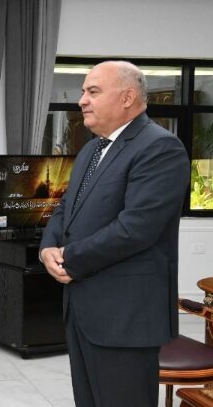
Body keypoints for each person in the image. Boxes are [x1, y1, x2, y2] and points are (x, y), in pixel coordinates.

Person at [39, 61, 190, 406]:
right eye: (83, 92)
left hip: (126, 320)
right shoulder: (92, 149)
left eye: (93, 92)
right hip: (83, 312)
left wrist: (69, 258)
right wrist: (48, 247)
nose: (82, 100)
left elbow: (136, 228)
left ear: (127, 98)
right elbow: (66, 208)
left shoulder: (159, 148)